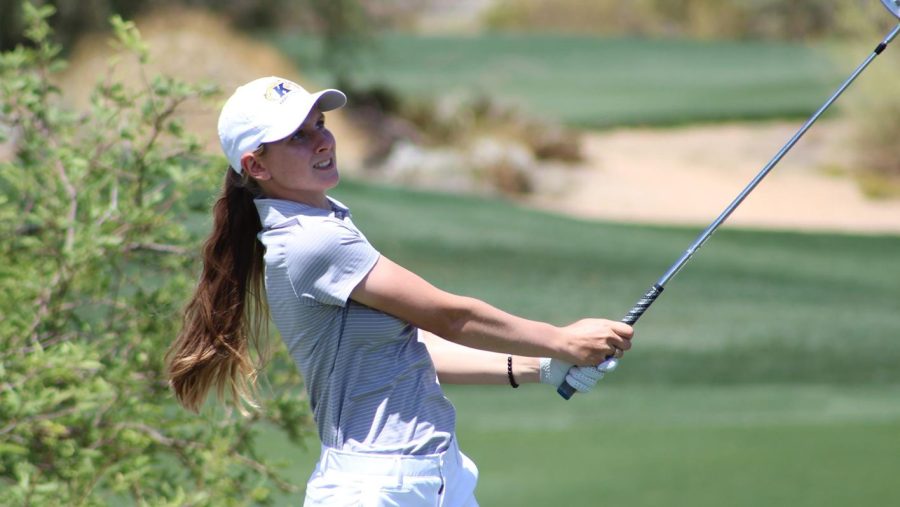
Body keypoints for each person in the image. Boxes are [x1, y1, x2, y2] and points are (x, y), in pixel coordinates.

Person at [166, 76, 634, 506]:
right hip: (379, 487)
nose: (322, 140)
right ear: (256, 165)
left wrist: (542, 367)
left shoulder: (324, 223)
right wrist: (561, 339)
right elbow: (450, 316)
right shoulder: (313, 241)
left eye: (320, 124)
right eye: (297, 136)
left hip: (428, 477)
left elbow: (412, 346)